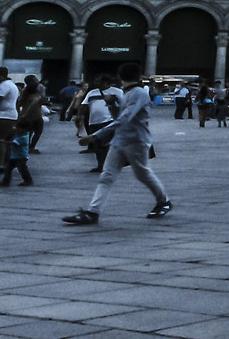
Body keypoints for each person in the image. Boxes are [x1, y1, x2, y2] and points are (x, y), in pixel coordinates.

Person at [63, 64, 171, 225]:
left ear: (120, 76)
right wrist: (112, 105)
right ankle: (93, 212)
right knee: (107, 176)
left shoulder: (138, 93)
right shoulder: (127, 93)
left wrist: (95, 136)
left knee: (142, 173)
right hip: (121, 140)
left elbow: (125, 118)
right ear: (138, 76)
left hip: (135, 141)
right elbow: (119, 117)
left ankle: (164, 201)